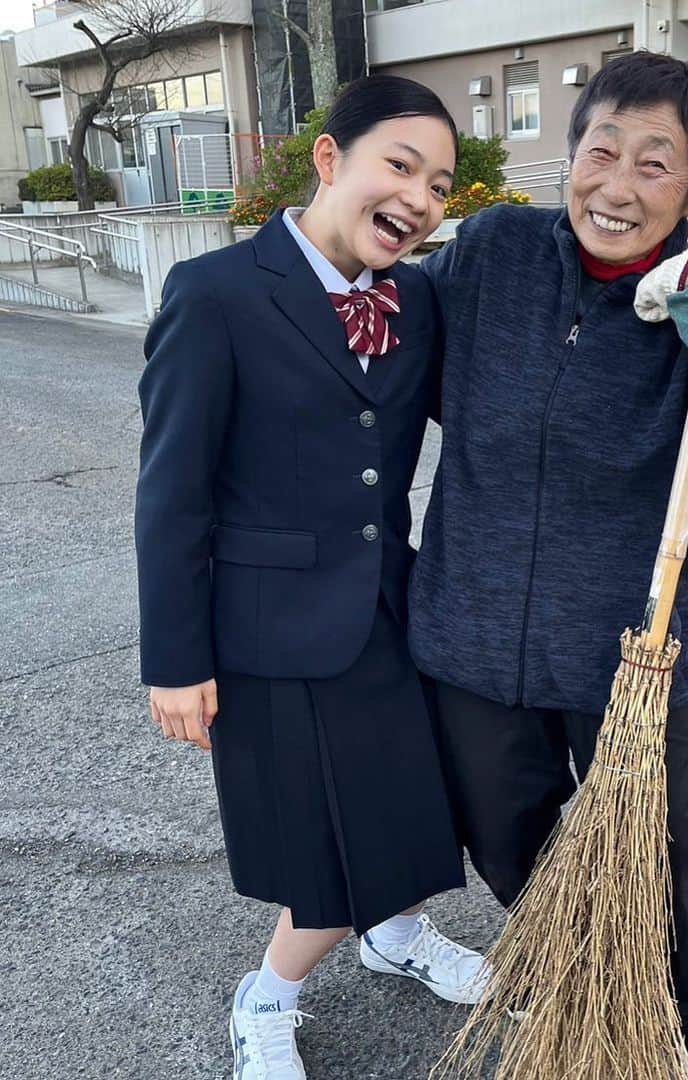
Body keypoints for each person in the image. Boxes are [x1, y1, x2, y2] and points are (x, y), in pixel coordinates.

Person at [409, 53, 688, 1080]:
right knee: (511, 842)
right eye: (600, 149)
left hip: (625, 651)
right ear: (568, 157)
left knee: (685, 858)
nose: (617, 184)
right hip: (469, 635)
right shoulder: (494, 254)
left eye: (657, 164)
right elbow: (377, 345)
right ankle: (587, 982)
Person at [134, 76, 486, 1080]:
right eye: (401, 166)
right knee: (323, 843)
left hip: (389, 605)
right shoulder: (216, 294)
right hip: (269, 623)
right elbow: (172, 495)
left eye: (440, 184)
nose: (420, 197)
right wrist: (174, 660)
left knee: (415, 805)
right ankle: (268, 998)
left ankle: (398, 937)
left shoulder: (416, 296)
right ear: (330, 159)